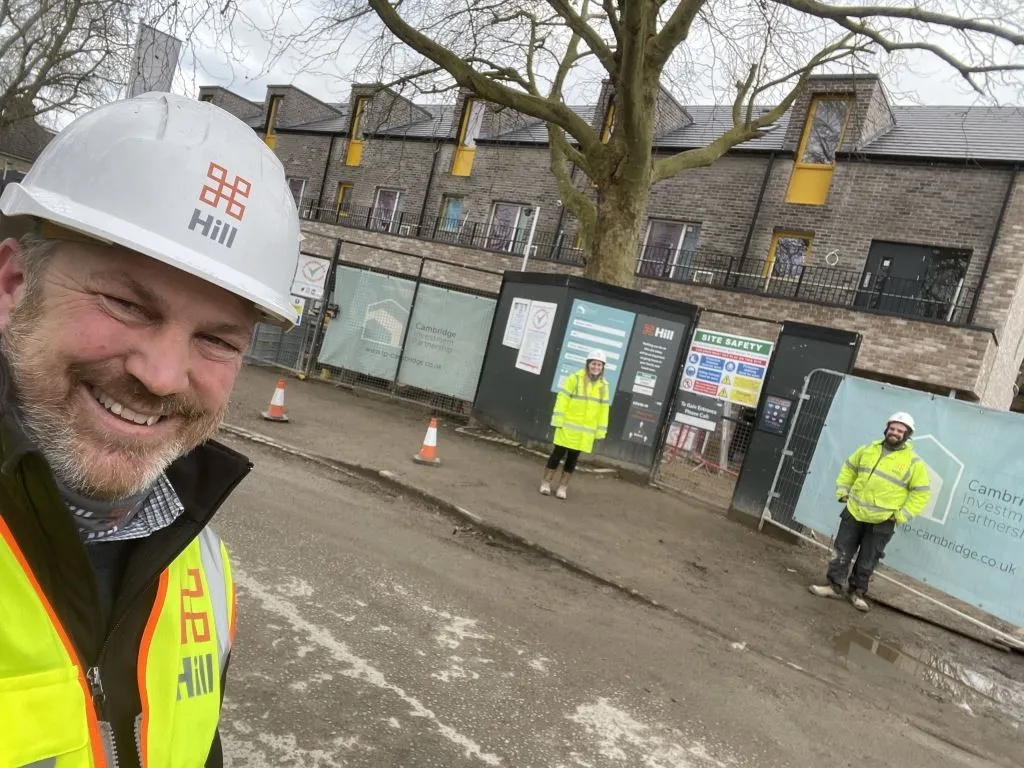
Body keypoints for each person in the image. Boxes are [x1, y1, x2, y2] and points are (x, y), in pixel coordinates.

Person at [0, 93, 300, 766]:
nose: (163, 377)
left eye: (218, 340)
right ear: (13, 284)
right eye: (126, 303)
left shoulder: (203, 567)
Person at [809, 412, 931, 612]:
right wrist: (843, 491)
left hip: (882, 520)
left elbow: (921, 494)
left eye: (900, 430)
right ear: (886, 429)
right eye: (892, 428)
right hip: (854, 511)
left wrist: (900, 516)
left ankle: (856, 593)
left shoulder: (913, 462)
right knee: (841, 550)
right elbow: (849, 469)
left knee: (868, 558)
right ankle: (834, 586)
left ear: (907, 434)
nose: (895, 432)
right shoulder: (868, 449)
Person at [540, 349, 611, 500]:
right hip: (567, 426)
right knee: (557, 455)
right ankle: (546, 483)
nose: (596, 367)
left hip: (585, 431)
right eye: (593, 364)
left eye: (599, 365)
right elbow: (563, 398)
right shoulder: (575, 379)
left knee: (573, 459)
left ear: (603, 367)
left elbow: (603, 410)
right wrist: (558, 419)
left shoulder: (604, 386)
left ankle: (562, 487)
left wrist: (600, 430)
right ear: (588, 364)